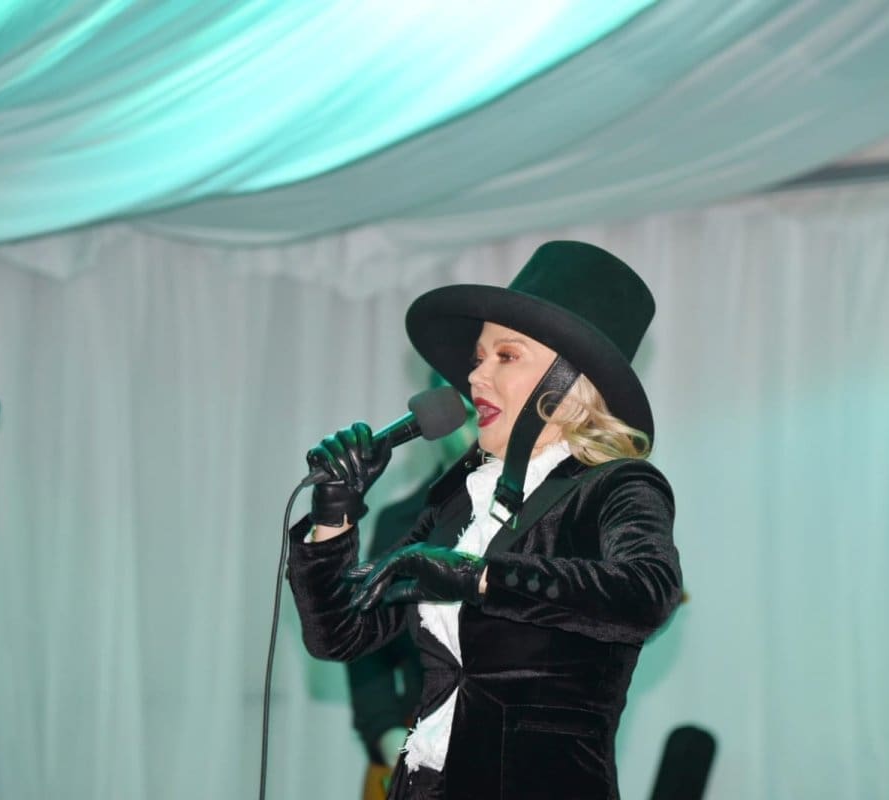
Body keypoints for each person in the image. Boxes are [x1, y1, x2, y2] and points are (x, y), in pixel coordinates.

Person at [286, 240, 683, 799]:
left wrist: (475, 576)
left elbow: (647, 593)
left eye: (506, 356)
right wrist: (335, 511)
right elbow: (339, 635)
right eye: (478, 358)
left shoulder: (616, 486)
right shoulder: (458, 499)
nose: (474, 378)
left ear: (570, 382)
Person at [348, 389, 475, 800]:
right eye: (465, 410)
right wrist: (388, 737)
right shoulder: (400, 521)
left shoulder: (546, 511)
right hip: (419, 737)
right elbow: (366, 642)